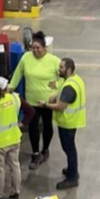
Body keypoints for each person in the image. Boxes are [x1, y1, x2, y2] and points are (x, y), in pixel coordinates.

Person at [19, 31, 61, 166]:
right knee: (33, 126)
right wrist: (9, 88)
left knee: (47, 124)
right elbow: (17, 75)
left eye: (38, 48)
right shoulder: (26, 57)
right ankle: (36, 153)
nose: (35, 50)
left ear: (44, 48)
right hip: (31, 100)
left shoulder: (54, 61)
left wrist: (57, 87)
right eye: (33, 48)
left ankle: (45, 149)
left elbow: (65, 77)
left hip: (47, 102)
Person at [49, 57, 87, 190]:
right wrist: (56, 94)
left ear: (69, 69)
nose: (59, 69)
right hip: (73, 120)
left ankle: (72, 178)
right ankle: (72, 170)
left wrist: (45, 105)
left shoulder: (69, 86)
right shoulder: (75, 80)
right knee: (70, 148)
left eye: (61, 67)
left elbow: (60, 107)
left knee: (69, 149)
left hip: (67, 122)